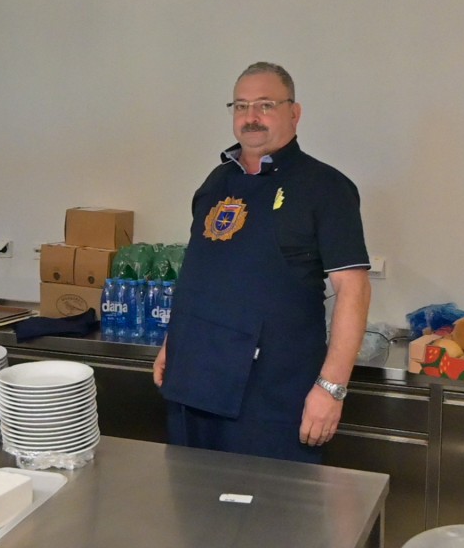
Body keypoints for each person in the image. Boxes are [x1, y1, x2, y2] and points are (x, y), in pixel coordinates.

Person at [152, 62, 371, 463]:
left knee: (269, 502)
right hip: (193, 381)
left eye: (265, 105)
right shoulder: (214, 183)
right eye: (241, 106)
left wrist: (332, 388)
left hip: (271, 396)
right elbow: (200, 272)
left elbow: (353, 289)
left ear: (294, 113)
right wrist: (172, 342)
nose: (251, 117)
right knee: (189, 498)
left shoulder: (326, 188)